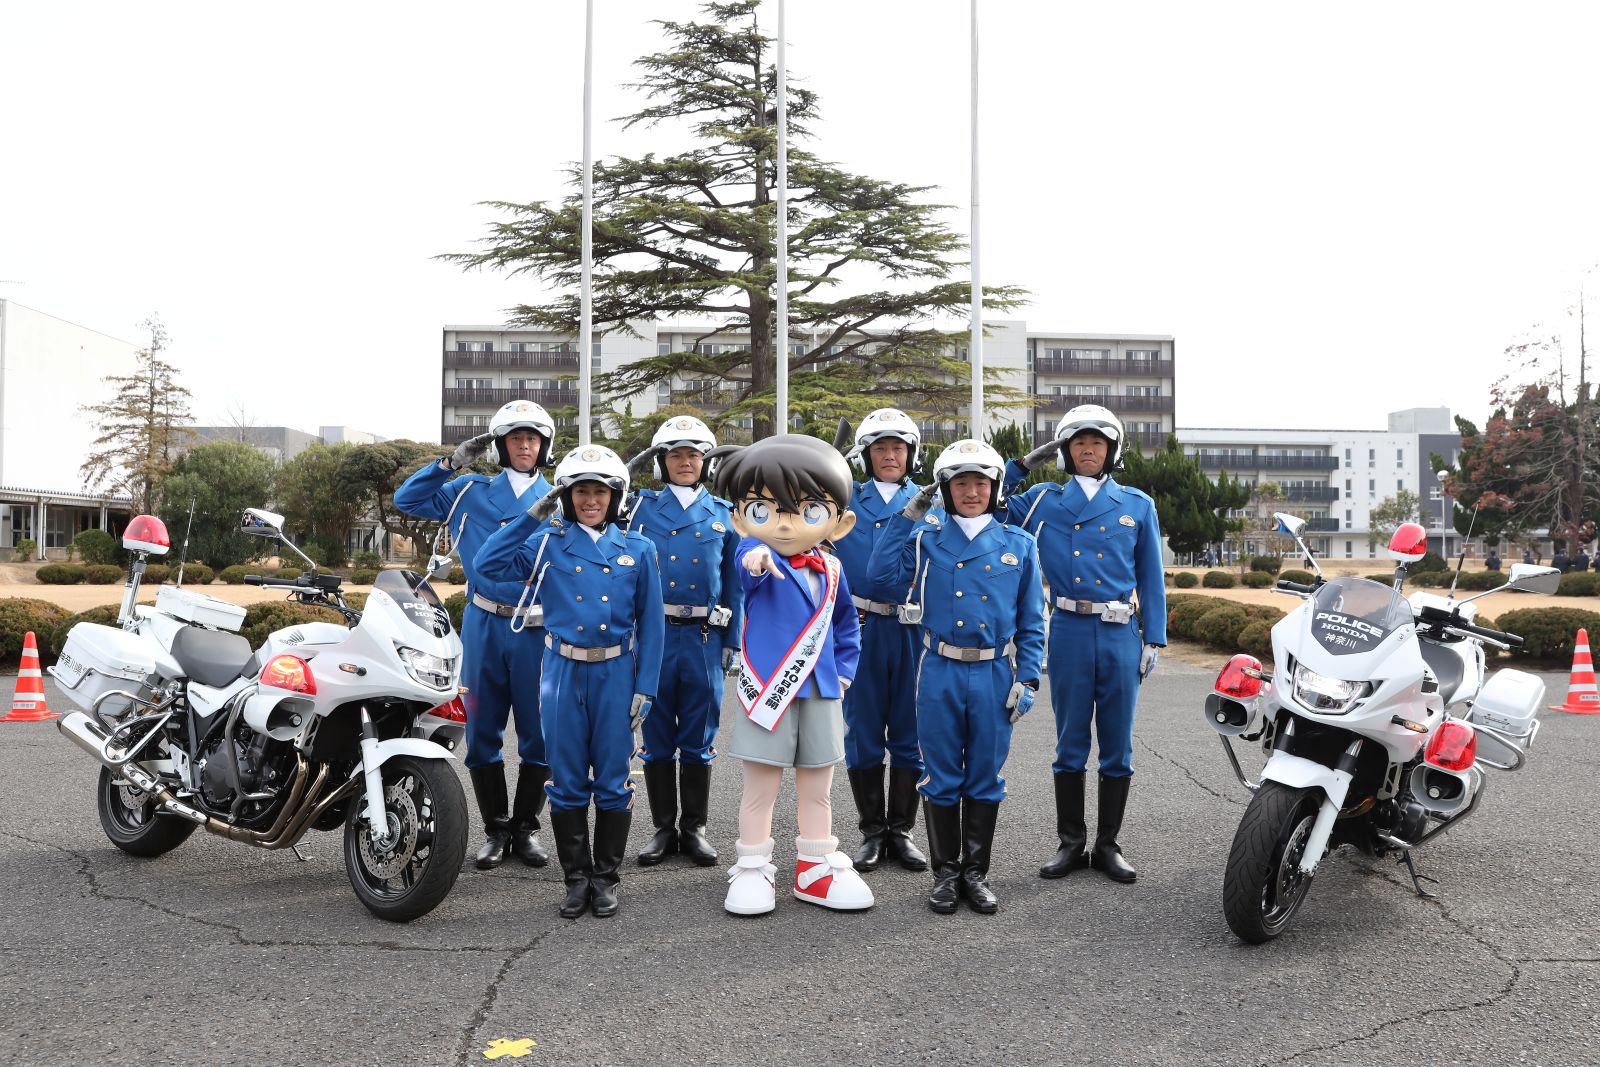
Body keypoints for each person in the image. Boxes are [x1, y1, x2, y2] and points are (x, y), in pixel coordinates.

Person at [477, 445, 665, 919]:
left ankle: (605, 879)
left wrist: (647, 686)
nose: (590, 500)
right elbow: (486, 565)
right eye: (581, 491)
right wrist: (531, 517)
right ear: (566, 495)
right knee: (565, 780)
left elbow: (652, 623)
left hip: (616, 673)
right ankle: (575, 878)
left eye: (599, 491)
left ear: (614, 497)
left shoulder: (639, 549)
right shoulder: (547, 542)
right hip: (560, 672)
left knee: (613, 780)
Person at [867, 440, 1046, 914]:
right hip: (939, 668)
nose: (971, 491)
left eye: (981, 482)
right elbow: (880, 574)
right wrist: (908, 515)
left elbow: (1032, 621)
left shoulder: (1019, 545)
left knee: (985, 776)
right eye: (960, 482)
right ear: (944, 489)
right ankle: (946, 874)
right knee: (942, 775)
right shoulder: (927, 539)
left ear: (995, 488)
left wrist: (1028, 678)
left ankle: (976, 873)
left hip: (992, 672)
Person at [1004, 405, 1166, 885]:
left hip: (1120, 631)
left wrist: (1152, 635)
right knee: (1070, 741)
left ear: (1112, 450)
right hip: (1070, 629)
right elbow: (987, 503)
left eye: (1097, 442)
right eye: (1078, 443)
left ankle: (1108, 844)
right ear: (1064, 451)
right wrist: (1019, 467)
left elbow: (1151, 577)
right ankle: (1071, 842)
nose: (1088, 450)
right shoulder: (1043, 500)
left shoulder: (1137, 504)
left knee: (1117, 743)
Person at [712, 434, 871, 915]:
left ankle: (814, 867)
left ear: (839, 523)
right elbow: (746, 567)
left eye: (805, 510)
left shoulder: (833, 571)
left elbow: (846, 627)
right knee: (760, 789)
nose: (784, 523)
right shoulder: (752, 558)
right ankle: (753, 865)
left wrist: (843, 674)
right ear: (741, 518)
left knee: (817, 787)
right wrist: (756, 557)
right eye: (764, 509)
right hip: (768, 692)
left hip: (821, 690)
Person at [393, 400, 555, 871]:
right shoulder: (469, 489)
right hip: (484, 623)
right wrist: (448, 464)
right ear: (501, 446)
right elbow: (409, 501)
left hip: (535, 625)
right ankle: (495, 829)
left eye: (533, 439)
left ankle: (525, 830)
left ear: (544, 446)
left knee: (538, 733)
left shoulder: (561, 498)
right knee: (482, 730)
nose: (525, 446)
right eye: (515, 439)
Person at [625, 416, 743, 868]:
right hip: (653, 637)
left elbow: (733, 582)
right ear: (661, 462)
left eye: (694, 454)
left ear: (706, 462)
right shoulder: (639, 509)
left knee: (698, 735)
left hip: (703, 639)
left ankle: (694, 829)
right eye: (676, 454)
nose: (686, 462)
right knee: (655, 734)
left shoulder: (722, 513)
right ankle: (662, 829)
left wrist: (733, 639)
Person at [829, 408, 931, 873]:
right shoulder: (843, 498)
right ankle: (872, 830)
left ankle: (902, 831)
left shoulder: (936, 501)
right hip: (861, 627)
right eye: (880, 449)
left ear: (911, 454)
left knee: (909, 732)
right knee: (864, 732)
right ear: (865, 456)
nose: (890, 456)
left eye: (898, 448)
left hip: (913, 630)